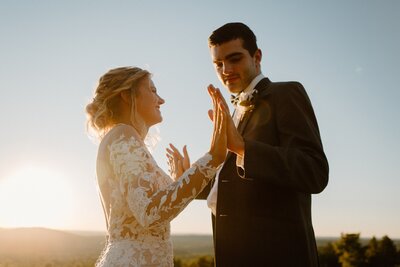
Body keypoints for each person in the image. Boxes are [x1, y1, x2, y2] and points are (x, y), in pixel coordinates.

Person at [198, 22, 329, 266]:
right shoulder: (232, 111)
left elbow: (314, 171)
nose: (225, 69)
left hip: (278, 254)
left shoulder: (286, 94)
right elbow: (232, 183)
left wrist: (242, 147)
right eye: (218, 64)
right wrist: (196, 179)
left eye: (234, 58)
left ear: (257, 56)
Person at [85, 66, 227, 267]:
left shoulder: (122, 138)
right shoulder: (123, 135)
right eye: (152, 91)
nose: (161, 100)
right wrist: (214, 157)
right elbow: (150, 212)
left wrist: (181, 181)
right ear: (127, 95)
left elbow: (149, 211)